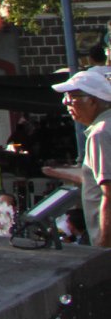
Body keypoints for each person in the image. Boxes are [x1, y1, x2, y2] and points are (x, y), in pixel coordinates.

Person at [52, 69, 111, 248]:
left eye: (71, 96)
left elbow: (109, 194)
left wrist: (102, 247)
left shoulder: (100, 134)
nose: (65, 102)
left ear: (92, 100)